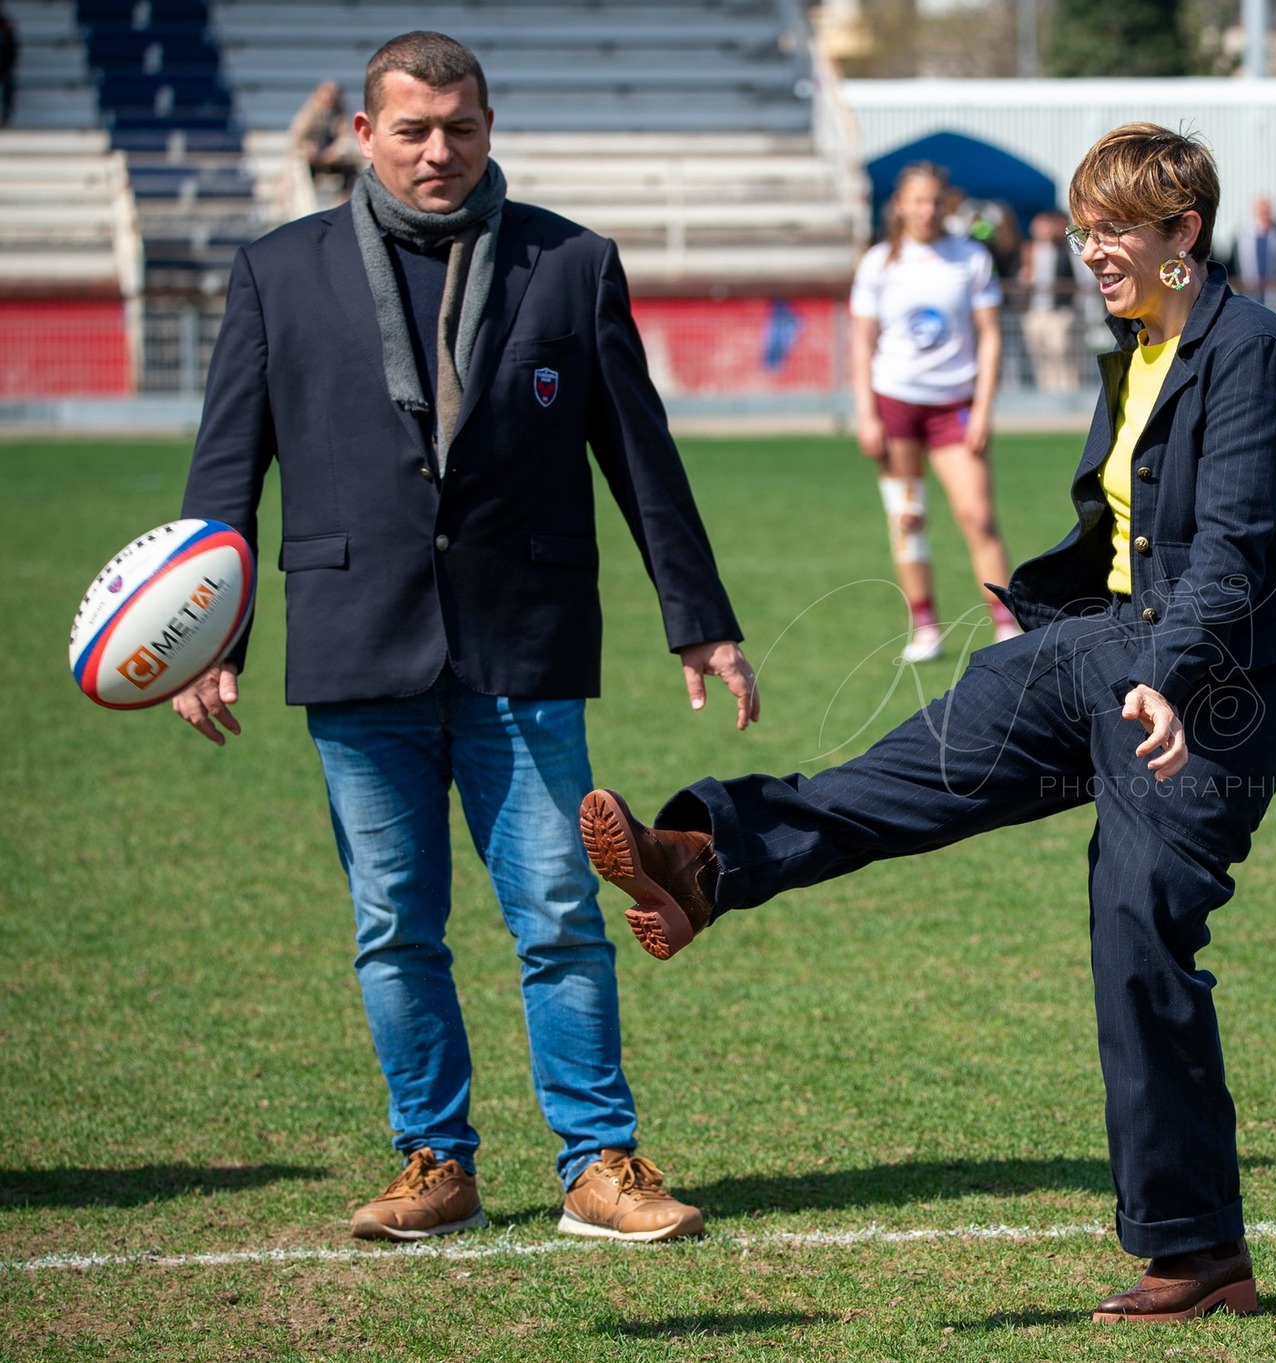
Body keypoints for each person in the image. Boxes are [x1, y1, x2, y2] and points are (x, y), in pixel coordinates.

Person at [579, 122, 1276, 1324]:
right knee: (908, 772)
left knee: (1137, 930)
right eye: (1080, 230)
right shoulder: (1136, 342)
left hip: (1213, 688)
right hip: (1105, 643)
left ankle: (1198, 1256)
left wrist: (1173, 679)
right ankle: (705, 857)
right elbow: (1131, 533)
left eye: (1114, 231)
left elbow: (1233, 554)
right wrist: (1040, 614)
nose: (1089, 251)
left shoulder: (1250, 354)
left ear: (1184, 233)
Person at [172, 31, 759, 1245]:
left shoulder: (571, 262)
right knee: (394, 923)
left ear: (489, 127)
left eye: (462, 129)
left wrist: (697, 620)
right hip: (354, 641)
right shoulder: (278, 271)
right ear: (363, 137)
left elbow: (640, 456)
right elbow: (228, 464)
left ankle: (600, 1165)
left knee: (556, 912)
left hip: (524, 647)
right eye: (413, 131)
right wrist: (205, 633)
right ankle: (433, 1160)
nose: (438, 152)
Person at [851, 162, 1022, 663]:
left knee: (978, 515)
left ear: (946, 204)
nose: (926, 211)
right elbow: (862, 344)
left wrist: (985, 407)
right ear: (900, 205)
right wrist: (866, 413)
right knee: (908, 518)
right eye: (916, 201)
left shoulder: (969, 258)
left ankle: (1006, 622)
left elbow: (990, 337)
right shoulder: (877, 264)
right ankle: (925, 626)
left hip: (956, 407)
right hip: (896, 405)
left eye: (934, 201)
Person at [1019, 209, 1082, 391]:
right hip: (1035, 311)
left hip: (1059, 312)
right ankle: (1045, 391)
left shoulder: (1066, 250)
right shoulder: (1028, 249)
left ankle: (1067, 392)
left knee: (1061, 353)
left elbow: (1077, 277)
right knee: (1039, 355)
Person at [285, 79, 365, 190]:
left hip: (334, 160)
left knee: (352, 170)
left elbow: (347, 138)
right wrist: (308, 147)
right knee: (301, 171)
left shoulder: (340, 115)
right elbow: (297, 137)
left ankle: (344, 199)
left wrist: (336, 151)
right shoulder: (309, 114)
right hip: (311, 160)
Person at [1225, 195, 1276, 311]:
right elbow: (1232, 265)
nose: (1264, 214)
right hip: (1248, 295)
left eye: (1267, 211)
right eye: (1262, 211)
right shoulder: (1242, 238)